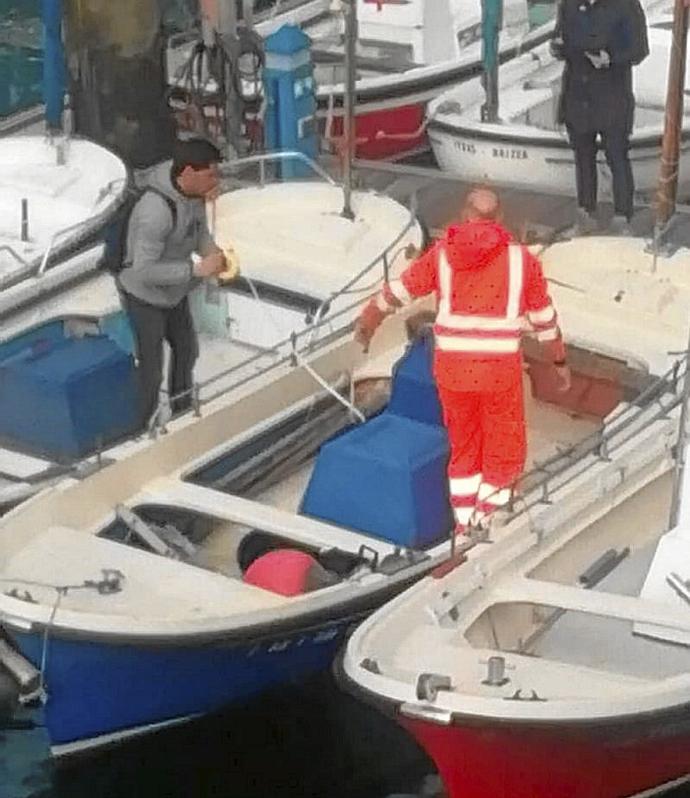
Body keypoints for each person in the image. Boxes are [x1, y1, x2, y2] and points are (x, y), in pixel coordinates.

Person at [354, 186, 572, 534]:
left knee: (464, 448)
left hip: (453, 373)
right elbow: (544, 320)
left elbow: (399, 291)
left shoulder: (441, 255)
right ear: (500, 219)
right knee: (503, 450)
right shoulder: (521, 261)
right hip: (499, 373)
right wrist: (559, 362)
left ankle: (464, 524)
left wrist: (368, 321)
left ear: (465, 215)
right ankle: (489, 521)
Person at [118, 137, 227, 427]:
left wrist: (212, 252)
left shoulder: (194, 196)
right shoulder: (155, 212)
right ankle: (142, 426)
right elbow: (143, 271)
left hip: (174, 293)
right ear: (189, 173)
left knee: (187, 349)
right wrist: (196, 271)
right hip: (144, 296)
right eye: (210, 174)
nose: (215, 181)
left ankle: (181, 410)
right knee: (152, 367)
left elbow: (199, 230)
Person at [551, 0, 649, 236]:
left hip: (612, 95)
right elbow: (560, 37)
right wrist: (557, 47)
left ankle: (622, 217)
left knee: (617, 156)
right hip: (578, 94)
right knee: (583, 157)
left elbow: (639, 50)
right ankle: (586, 214)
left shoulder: (626, 5)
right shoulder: (570, 4)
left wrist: (611, 59)